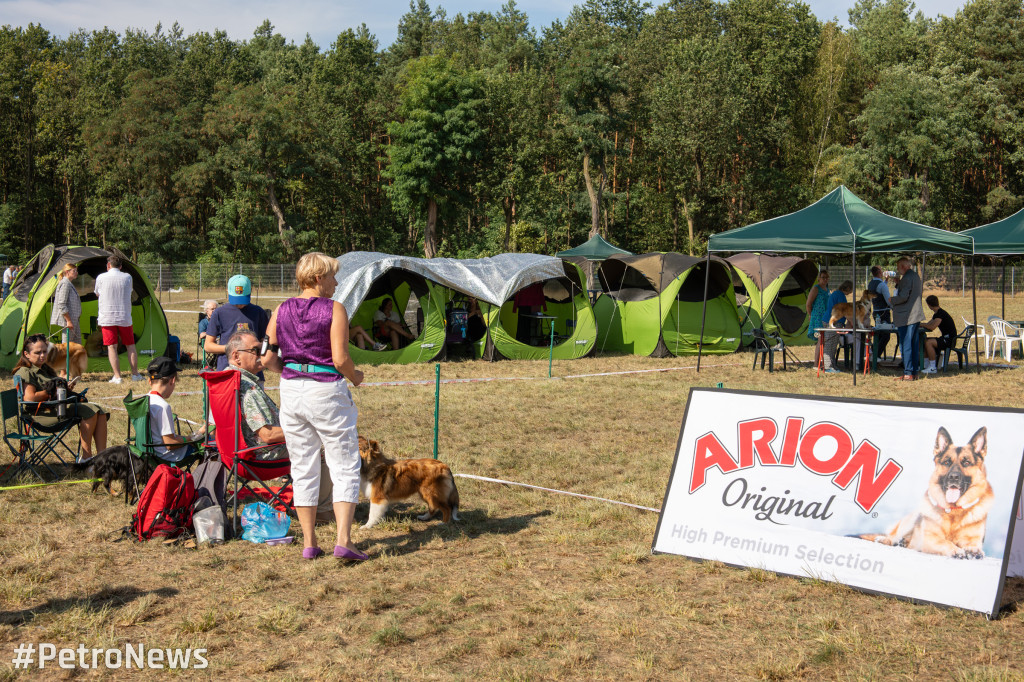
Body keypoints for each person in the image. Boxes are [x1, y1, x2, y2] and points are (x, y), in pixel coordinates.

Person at [262, 252, 367, 561]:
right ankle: (344, 540)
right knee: (344, 463)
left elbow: (267, 357)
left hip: (291, 392)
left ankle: (310, 542)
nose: (336, 283)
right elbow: (340, 359)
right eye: (333, 276)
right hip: (327, 391)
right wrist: (356, 377)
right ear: (319, 278)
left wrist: (291, 373)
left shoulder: (280, 309)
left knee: (302, 465)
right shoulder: (335, 309)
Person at [226, 331, 336, 522]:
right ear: (236, 356)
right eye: (255, 350)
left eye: (263, 348)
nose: (262, 354)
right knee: (324, 449)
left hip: (234, 455)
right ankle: (321, 511)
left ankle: (308, 501)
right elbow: (267, 435)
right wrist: (306, 431)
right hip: (262, 456)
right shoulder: (247, 388)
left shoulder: (226, 381)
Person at [14, 333, 109, 459]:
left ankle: (103, 458)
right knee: (90, 410)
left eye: (44, 351)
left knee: (100, 412)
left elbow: (54, 390)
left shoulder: (45, 368)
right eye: (38, 352)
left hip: (55, 408)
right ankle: (86, 459)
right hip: (40, 415)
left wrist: (65, 388)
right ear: (26, 354)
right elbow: (30, 399)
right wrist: (53, 390)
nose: (42, 355)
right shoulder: (25, 371)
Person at [204, 275, 269, 374]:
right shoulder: (219, 313)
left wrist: (253, 348)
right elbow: (208, 346)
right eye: (236, 300)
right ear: (227, 291)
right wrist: (230, 348)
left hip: (253, 372)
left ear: (251, 291)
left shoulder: (258, 312)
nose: (240, 304)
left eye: (243, 300)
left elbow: (265, 343)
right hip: (226, 371)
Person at [94, 255, 142, 384]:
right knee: (130, 346)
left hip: (107, 318)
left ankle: (117, 376)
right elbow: (130, 290)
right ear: (120, 266)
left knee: (112, 347)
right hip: (124, 317)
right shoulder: (127, 277)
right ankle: (135, 374)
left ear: (108, 265)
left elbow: (97, 293)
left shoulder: (101, 277)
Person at [145, 356, 198, 462]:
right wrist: (193, 437)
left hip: (148, 451)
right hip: (166, 456)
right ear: (172, 381)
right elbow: (170, 443)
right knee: (209, 445)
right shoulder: (163, 406)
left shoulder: (144, 400)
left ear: (150, 381)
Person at [890, 256, 926, 381]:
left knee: (906, 344)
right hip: (915, 315)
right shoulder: (915, 276)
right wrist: (899, 283)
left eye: (899, 267)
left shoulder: (906, 278)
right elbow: (910, 291)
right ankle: (914, 372)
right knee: (914, 344)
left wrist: (892, 300)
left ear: (903, 266)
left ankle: (908, 372)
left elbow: (904, 296)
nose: (898, 270)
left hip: (907, 316)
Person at [820, 280, 853, 374]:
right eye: (850, 290)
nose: (850, 293)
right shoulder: (841, 296)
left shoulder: (835, 293)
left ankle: (832, 365)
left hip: (828, 320)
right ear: (847, 288)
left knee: (833, 345)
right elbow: (844, 311)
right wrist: (851, 322)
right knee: (830, 345)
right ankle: (827, 367)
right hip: (834, 322)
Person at [921, 295, 957, 374]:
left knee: (928, 343)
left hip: (949, 340)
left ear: (929, 305)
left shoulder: (940, 314)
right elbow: (928, 324)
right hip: (945, 338)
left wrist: (921, 325)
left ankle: (933, 367)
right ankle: (926, 365)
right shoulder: (937, 314)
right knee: (925, 340)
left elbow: (932, 327)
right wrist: (921, 324)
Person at [50, 263, 82, 344]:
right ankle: (66, 357)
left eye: (76, 271)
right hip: (69, 320)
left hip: (74, 319)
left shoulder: (69, 283)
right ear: (67, 272)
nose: (76, 273)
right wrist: (68, 320)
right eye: (74, 271)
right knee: (67, 346)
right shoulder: (65, 284)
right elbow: (61, 304)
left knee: (76, 345)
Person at [867, 265, 892, 356]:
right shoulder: (881, 285)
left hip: (876, 312)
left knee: (879, 334)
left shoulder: (871, 283)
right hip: (884, 312)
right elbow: (888, 300)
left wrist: (886, 280)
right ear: (880, 273)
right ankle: (875, 355)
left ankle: (873, 353)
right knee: (886, 336)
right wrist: (895, 307)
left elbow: (879, 289)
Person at [805, 269, 830, 340]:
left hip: (825, 318)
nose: (825, 279)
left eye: (827, 277)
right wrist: (810, 315)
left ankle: (823, 351)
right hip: (817, 318)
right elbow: (808, 304)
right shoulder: (816, 288)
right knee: (820, 339)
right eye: (823, 277)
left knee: (824, 339)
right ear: (819, 278)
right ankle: (819, 351)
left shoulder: (827, 289)